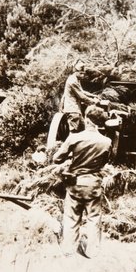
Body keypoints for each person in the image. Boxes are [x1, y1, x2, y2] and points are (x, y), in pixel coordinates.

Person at [52, 105, 112, 258]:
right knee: (93, 219)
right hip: (94, 185)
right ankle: (93, 254)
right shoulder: (106, 141)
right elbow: (105, 162)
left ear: (86, 119)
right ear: (98, 122)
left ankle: (68, 252)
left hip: (75, 184)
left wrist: (72, 159)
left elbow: (56, 158)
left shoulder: (74, 138)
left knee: (72, 218)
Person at [61, 59, 100, 133]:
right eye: (81, 73)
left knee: (83, 129)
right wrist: (94, 102)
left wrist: (93, 95)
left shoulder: (76, 79)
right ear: (76, 72)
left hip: (76, 110)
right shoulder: (72, 81)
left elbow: (82, 91)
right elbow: (81, 96)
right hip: (72, 110)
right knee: (74, 132)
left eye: (83, 74)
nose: (83, 76)